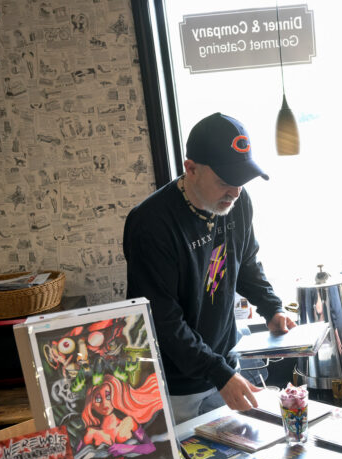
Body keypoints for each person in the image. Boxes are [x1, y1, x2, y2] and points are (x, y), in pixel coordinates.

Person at [123, 113, 295, 423]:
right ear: (191, 168)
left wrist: (272, 307)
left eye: (241, 180)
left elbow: (246, 263)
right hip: (177, 384)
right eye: (225, 181)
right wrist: (217, 372)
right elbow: (162, 320)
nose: (236, 191)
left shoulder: (237, 202)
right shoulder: (151, 224)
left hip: (224, 363)